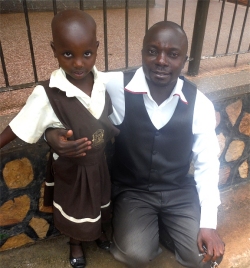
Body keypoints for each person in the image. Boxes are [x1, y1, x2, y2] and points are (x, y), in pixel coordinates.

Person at [45, 21, 225, 268]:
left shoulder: (199, 104)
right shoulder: (114, 85)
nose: (161, 61)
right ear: (141, 53)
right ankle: (156, 230)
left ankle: (171, 229)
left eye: (173, 55)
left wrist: (209, 224)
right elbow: (63, 90)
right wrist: (50, 132)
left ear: (185, 59)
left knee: (202, 258)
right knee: (135, 254)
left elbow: (208, 165)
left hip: (178, 191)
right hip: (133, 191)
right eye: (152, 51)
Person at [0, 10, 119, 268]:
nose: (78, 63)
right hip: (72, 170)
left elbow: (106, 115)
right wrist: (49, 135)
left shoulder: (101, 82)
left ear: (97, 48)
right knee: (75, 206)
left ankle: (97, 232)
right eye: (68, 54)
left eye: (87, 54)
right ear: (54, 50)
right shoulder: (48, 93)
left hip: (97, 164)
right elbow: (22, 123)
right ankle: (75, 242)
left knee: (98, 201)